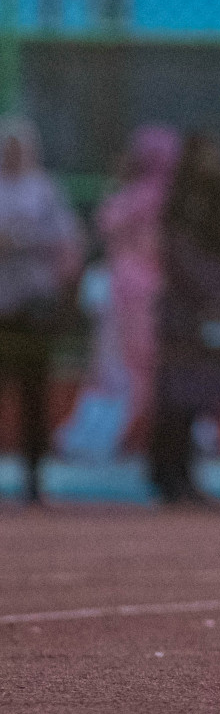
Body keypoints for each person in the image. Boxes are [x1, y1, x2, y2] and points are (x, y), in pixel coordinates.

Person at [55, 125, 181, 462]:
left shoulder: (137, 197)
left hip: (127, 292)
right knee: (131, 370)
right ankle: (97, 439)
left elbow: (107, 221)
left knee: (117, 370)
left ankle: (95, 439)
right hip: (139, 294)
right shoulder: (163, 199)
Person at [149, 133, 220, 507]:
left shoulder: (216, 206)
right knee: (176, 399)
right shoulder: (184, 208)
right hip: (184, 317)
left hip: (208, 317)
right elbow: (180, 261)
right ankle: (169, 478)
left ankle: (185, 478)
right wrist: (215, 294)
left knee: (194, 399)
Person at [0, 117, 84, 505]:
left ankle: (34, 479)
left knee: (35, 395)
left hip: (33, 309)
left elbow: (67, 239)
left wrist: (25, 240)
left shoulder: (44, 190)